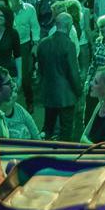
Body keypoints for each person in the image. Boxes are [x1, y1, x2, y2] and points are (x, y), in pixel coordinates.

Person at [37, 12, 83, 141]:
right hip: (66, 95)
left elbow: (41, 69)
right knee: (66, 130)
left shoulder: (43, 43)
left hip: (49, 92)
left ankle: (45, 149)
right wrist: (79, 92)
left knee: (48, 127)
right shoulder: (69, 45)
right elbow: (73, 73)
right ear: (68, 26)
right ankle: (64, 152)